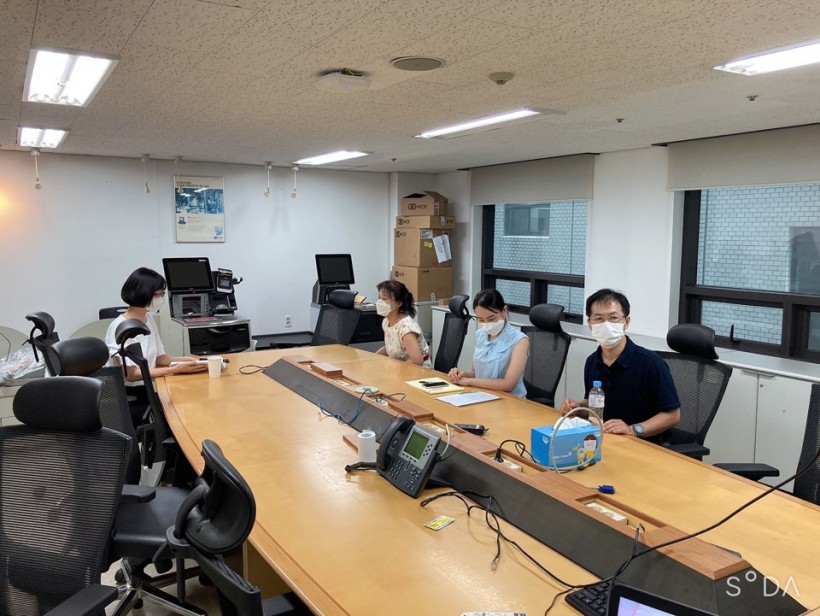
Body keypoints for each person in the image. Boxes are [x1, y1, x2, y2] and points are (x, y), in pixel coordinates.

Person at [561, 288, 680, 442]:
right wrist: (578, 408)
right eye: (598, 319)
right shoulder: (592, 361)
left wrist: (633, 429)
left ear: (626, 322)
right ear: (590, 324)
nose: (606, 324)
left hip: (643, 444)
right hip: (606, 438)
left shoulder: (651, 363)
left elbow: (673, 416)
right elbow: (597, 404)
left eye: (613, 318)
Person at [105, 268, 207, 414]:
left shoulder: (148, 319)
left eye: (162, 294)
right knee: (179, 409)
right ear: (142, 294)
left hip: (146, 389)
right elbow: (131, 374)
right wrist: (174, 370)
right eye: (157, 295)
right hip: (128, 397)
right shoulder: (120, 327)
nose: (160, 299)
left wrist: (188, 360)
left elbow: (160, 358)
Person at [448, 289, 529, 397]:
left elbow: (508, 384)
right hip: (483, 395)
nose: (486, 324)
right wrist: (461, 375)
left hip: (510, 400)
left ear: (504, 311)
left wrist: (469, 381)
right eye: (481, 320)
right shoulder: (481, 334)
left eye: (491, 319)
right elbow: (475, 372)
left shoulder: (520, 340)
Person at [375, 280, 431, 367]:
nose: (379, 302)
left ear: (399, 303)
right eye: (379, 298)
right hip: (399, 367)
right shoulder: (386, 321)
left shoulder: (406, 327)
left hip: (418, 370)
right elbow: (391, 348)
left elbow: (416, 361)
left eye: (385, 299)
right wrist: (371, 359)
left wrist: (395, 371)